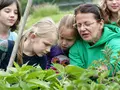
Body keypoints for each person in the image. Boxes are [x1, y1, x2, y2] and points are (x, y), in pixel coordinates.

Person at [69, 4, 120, 75]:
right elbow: (75, 74)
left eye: (87, 24)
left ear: (101, 24)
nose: (82, 29)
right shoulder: (76, 47)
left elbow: (116, 67)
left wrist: (88, 73)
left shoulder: (115, 41)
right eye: (79, 25)